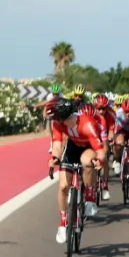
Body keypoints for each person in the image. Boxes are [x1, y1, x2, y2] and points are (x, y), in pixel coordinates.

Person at [47, 91, 104, 243]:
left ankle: (90, 198)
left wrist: (99, 161)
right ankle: (63, 223)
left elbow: (100, 150)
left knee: (86, 161)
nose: (53, 120)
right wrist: (54, 157)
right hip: (73, 146)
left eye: (55, 117)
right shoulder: (58, 123)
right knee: (64, 186)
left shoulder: (87, 124)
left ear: (63, 116)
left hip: (89, 146)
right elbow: (58, 144)